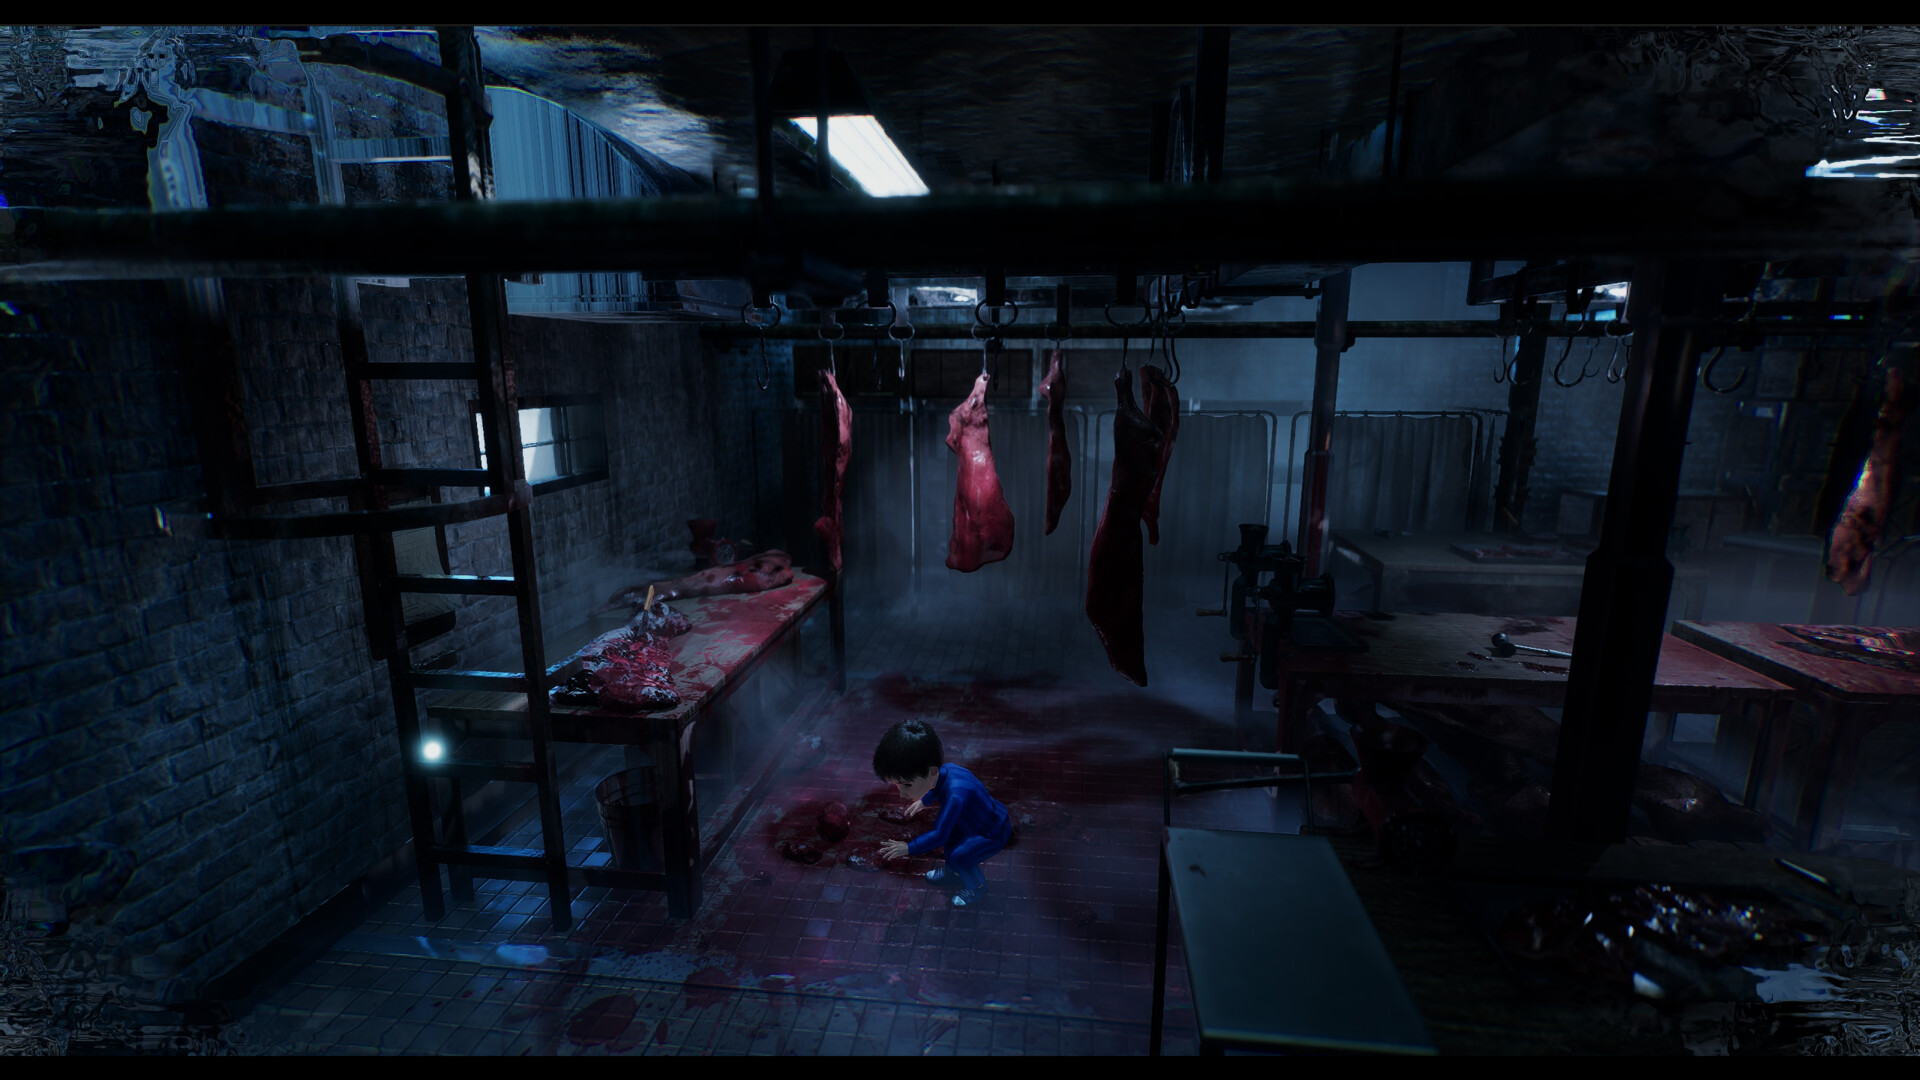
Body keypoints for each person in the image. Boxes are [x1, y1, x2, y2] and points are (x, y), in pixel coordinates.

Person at [872, 719, 1011, 907]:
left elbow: (939, 835)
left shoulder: (955, 795)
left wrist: (909, 848)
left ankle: (977, 887)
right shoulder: (945, 771)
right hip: (976, 820)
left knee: (959, 856)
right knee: (952, 843)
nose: (902, 794)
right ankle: (953, 873)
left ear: (931, 771)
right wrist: (924, 801)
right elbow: (937, 786)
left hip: (992, 832)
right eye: (897, 785)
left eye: (907, 785)